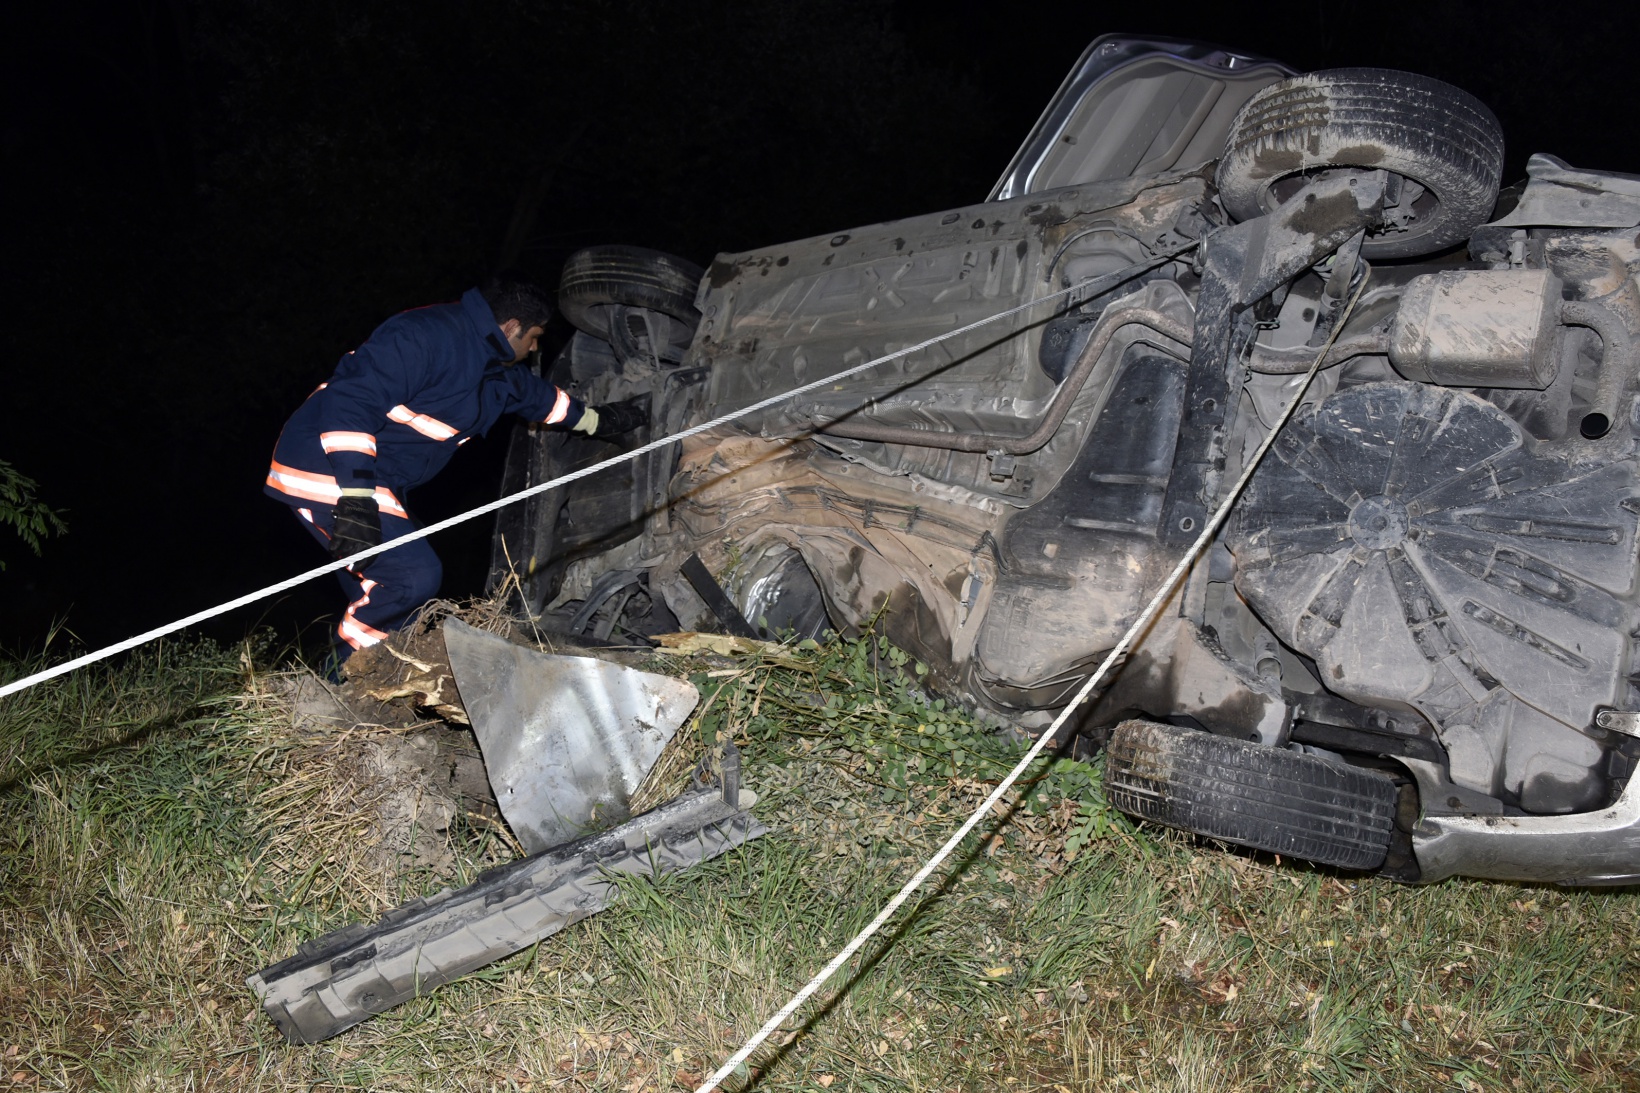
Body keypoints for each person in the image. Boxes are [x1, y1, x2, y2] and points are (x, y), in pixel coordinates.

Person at [264, 276, 644, 660]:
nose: (534, 349)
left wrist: (601, 421)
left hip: (376, 479)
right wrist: (358, 499)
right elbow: (349, 404)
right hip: (325, 462)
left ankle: (370, 683)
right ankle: (340, 681)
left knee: (395, 602)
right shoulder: (423, 335)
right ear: (511, 328)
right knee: (412, 577)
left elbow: (542, 400)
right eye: (534, 337)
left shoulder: (495, 371)